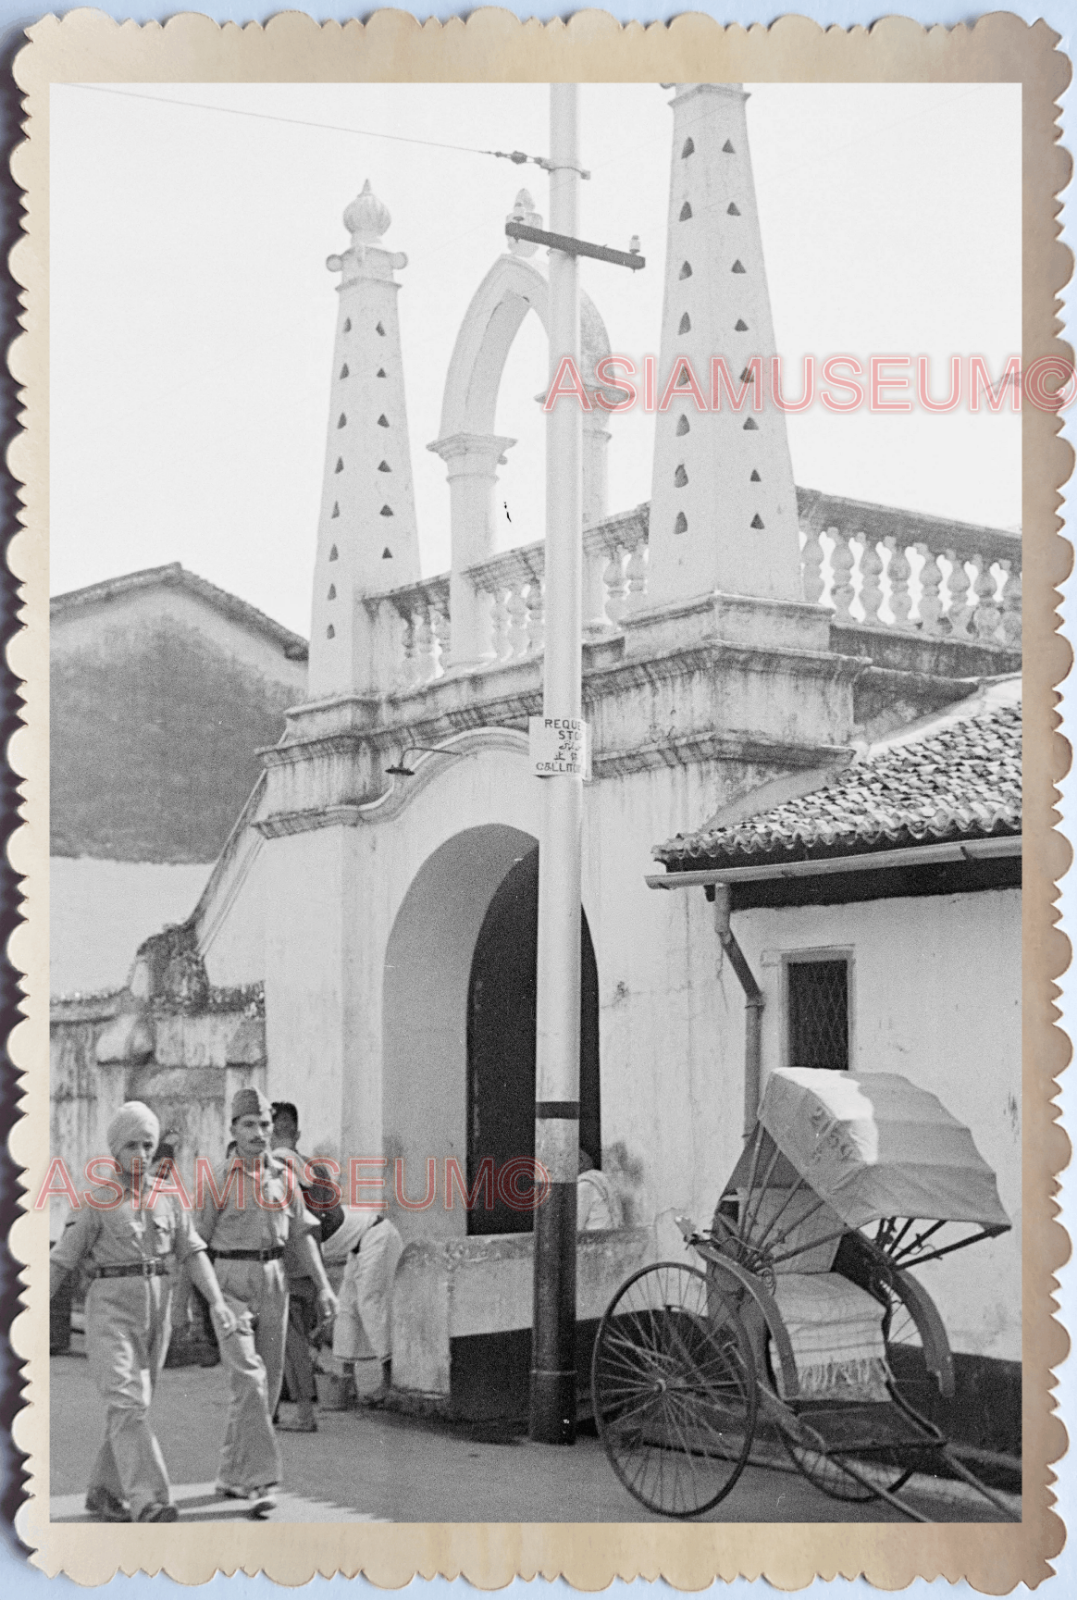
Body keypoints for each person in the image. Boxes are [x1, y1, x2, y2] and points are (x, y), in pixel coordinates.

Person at [48, 1100, 237, 1523]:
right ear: (114, 1150)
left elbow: (192, 1252)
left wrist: (218, 1303)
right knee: (129, 1403)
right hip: (111, 1310)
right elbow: (60, 1262)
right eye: (131, 1145)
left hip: (157, 1308)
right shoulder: (95, 1200)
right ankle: (148, 1499)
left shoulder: (169, 1196)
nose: (140, 1154)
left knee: (135, 1407)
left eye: (147, 1145)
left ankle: (102, 1491)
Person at [194, 1087, 337, 1518]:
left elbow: (302, 1235)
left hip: (274, 1278)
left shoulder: (284, 1177)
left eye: (264, 1125)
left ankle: (231, 1473)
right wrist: (189, 1306)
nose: (258, 1133)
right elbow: (194, 1245)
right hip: (229, 1281)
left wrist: (325, 1286)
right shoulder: (216, 1179)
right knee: (251, 1382)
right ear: (233, 1130)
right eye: (249, 1125)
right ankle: (261, 1481)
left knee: (268, 1386)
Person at [269, 1100, 345, 1432]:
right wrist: (316, 1237)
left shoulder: (271, 1165)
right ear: (297, 1133)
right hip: (306, 1264)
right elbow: (336, 1215)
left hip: (282, 1264)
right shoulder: (317, 1170)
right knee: (292, 1340)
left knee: (287, 1342)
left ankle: (301, 1414)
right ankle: (288, 1411)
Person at [322, 1207, 403, 1408]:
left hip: (377, 1234)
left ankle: (390, 1382)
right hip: (356, 1246)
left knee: (370, 1304)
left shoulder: (303, 1223)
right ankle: (348, 1383)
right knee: (346, 1308)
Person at [577, 1148, 623, 1231]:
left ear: (580, 1162)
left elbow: (576, 1226)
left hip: (593, 1239)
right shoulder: (599, 1178)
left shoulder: (584, 1185)